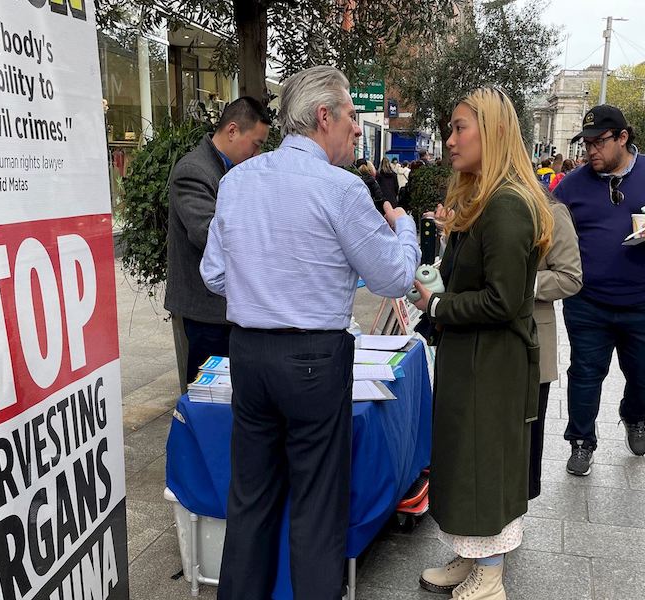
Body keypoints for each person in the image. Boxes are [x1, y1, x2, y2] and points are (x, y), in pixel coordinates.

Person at [200, 65, 420, 600]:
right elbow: (393, 275)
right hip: (313, 359)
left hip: (250, 352)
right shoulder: (341, 189)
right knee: (317, 510)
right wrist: (406, 228)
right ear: (324, 116)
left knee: (250, 502)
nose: (355, 129)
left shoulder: (237, 180)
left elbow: (214, 274)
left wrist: (264, 286)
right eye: (350, 116)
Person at [412, 87, 554, 600]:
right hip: (471, 359)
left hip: (492, 364)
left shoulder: (507, 205)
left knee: (483, 462)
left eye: (459, 127)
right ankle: (469, 555)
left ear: (492, 132)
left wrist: (437, 306)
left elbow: (504, 301)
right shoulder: (486, 200)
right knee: (463, 458)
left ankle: (490, 572)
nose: (450, 139)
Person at [553, 104, 645, 476]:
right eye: (585, 143)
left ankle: (634, 414)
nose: (590, 151)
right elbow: (544, 215)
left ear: (623, 137)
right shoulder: (574, 183)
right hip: (588, 301)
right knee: (585, 373)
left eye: (599, 142)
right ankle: (581, 441)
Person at [165, 96, 271, 385]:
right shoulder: (194, 171)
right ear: (233, 130)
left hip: (230, 308)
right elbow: (207, 233)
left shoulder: (235, 170)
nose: (257, 153)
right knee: (206, 396)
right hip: (205, 312)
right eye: (257, 144)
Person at [530, 200, 583, 499]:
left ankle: (514, 515)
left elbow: (570, 277)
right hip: (479, 341)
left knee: (526, 437)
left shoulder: (549, 212)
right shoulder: (474, 204)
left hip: (532, 343)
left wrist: (519, 281)